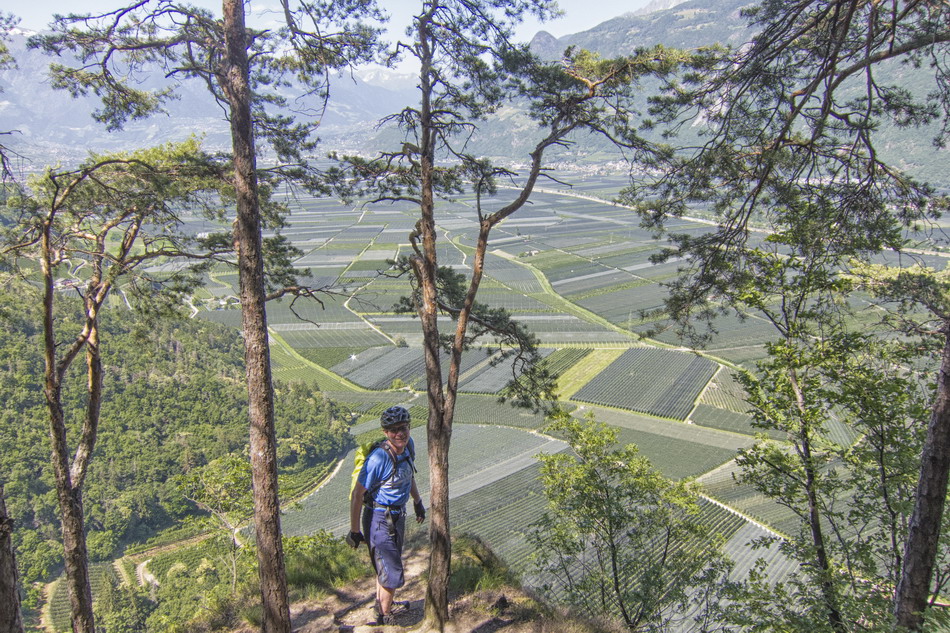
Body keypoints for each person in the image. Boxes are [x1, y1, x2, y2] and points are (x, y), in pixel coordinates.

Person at [348, 405, 426, 626]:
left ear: (409, 427)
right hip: (379, 519)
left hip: (398, 516)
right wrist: (355, 531)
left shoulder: (408, 447)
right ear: (385, 432)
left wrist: (417, 502)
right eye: (393, 430)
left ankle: (383, 604)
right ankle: (385, 617)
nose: (399, 433)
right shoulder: (378, 459)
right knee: (391, 570)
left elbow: (408, 475)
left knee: (386, 564)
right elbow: (357, 495)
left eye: (403, 427)